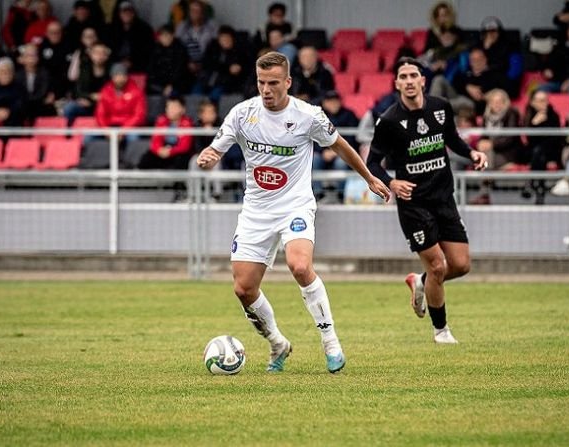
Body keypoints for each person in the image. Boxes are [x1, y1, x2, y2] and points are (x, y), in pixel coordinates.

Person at [195, 51, 390, 373]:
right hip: (256, 210)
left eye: (273, 83)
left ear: (288, 82)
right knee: (243, 288)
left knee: (300, 266)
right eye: (261, 82)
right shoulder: (242, 114)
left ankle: (330, 342)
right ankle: (277, 343)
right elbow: (217, 146)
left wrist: (369, 178)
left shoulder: (308, 116)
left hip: (295, 205)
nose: (266, 89)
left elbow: (340, 145)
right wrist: (210, 155)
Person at [366, 57, 488, 344]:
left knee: (460, 265)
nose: (409, 81)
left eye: (413, 75)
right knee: (437, 266)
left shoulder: (441, 107)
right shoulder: (389, 121)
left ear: (422, 80)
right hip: (414, 204)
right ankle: (441, 330)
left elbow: (452, 139)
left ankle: (419, 281)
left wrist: (472, 153)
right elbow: (372, 163)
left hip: (444, 197)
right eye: (403, 77)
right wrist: (392, 182)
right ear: (397, 84)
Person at [139, 95, 194, 169]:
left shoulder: (187, 123)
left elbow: (185, 146)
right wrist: (159, 150)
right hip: (163, 150)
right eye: (168, 107)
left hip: (178, 153)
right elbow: (155, 141)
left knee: (182, 159)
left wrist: (171, 151)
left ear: (183, 109)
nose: (170, 110)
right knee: (147, 158)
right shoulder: (161, 121)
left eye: (174, 107)